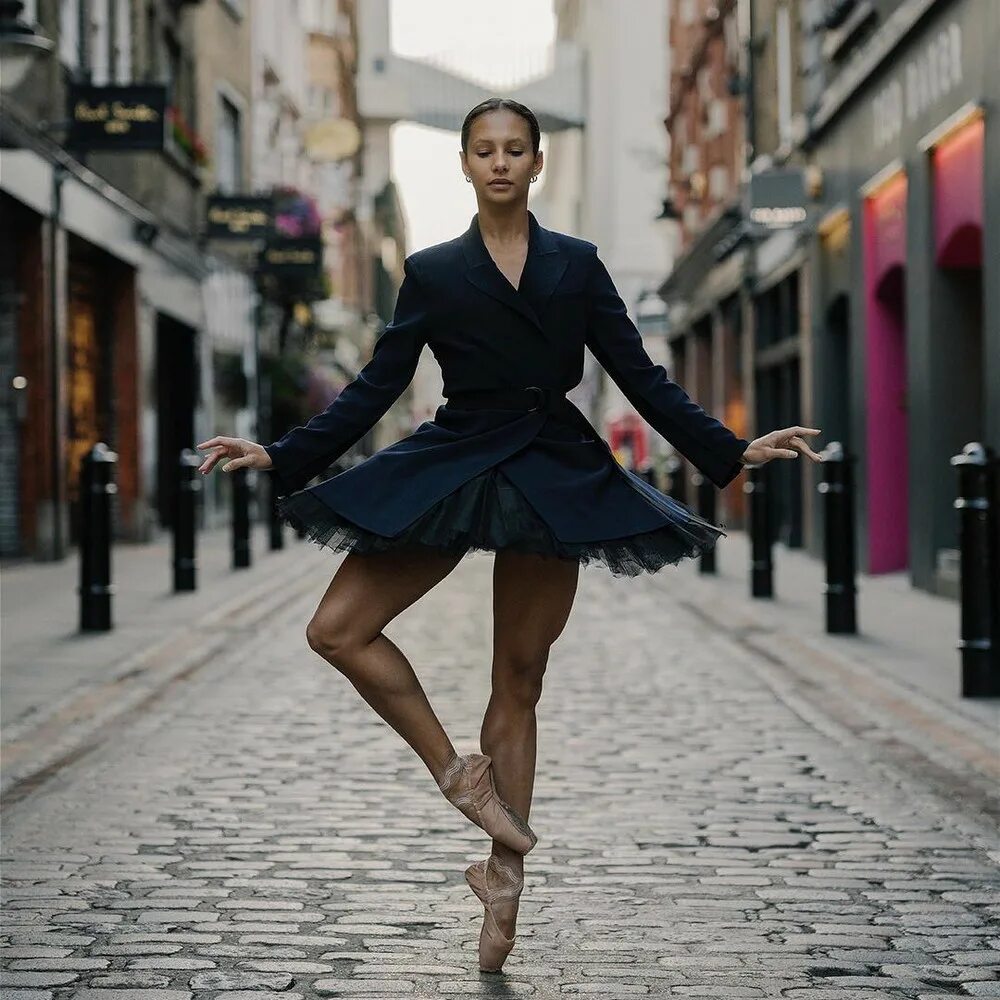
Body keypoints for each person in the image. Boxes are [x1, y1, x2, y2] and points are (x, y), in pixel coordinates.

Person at [197, 97, 823, 974]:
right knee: (335, 629)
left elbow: (639, 374)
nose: (500, 162)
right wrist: (283, 451)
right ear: (464, 164)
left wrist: (728, 448)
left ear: (535, 164)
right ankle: (460, 774)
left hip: (551, 465)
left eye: (515, 149)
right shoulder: (433, 271)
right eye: (484, 150)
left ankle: (502, 878)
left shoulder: (578, 265)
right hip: (454, 458)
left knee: (519, 677)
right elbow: (377, 385)